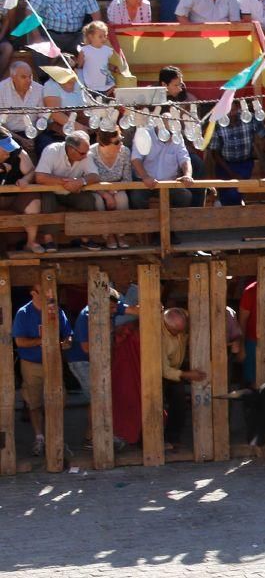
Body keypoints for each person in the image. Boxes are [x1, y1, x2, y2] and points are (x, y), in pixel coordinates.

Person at [67, 287, 135, 450]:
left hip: (98, 360)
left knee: (100, 397)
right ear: (100, 304)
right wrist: (106, 339)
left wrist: (153, 306)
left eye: (115, 307)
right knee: (97, 398)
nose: (114, 311)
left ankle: (93, 436)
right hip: (82, 361)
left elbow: (134, 310)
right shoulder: (86, 316)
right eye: (111, 308)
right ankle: (95, 438)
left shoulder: (111, 306)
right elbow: (86, 348)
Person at [12, 283, 72, 456]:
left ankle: (56, 437)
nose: (48, 295)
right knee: (34, 402)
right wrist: (42, 340)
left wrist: (66, 341)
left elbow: (68, 333)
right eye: (43, 292)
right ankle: (40, 438)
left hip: (54, 363)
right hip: (31, 364)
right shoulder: (23, 313)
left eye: (50, 291)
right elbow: (19, 342)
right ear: (33, 293)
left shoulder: (57, 311)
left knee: (58, 399)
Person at [35, 132, 105, 251]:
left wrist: (80, 181)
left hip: (72, 192)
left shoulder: (85, 155)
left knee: (87, 200)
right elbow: (40, 177)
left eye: (86, 153)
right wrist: (65, 182)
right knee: (47, 199)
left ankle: (85, 239)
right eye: (82, 153)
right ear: (71, 149)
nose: (85, 156)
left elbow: (95, 176)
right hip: (51, 191)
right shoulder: (51, 150)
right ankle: (48, 240)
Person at [207, 100, 265, 206]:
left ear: (238, 108)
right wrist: (232, 173)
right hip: (224, 165)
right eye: (226, 111)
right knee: (227, 195)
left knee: (235, 193)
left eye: (232, 110)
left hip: (244, 164)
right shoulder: (217, 124)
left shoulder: (249, 118)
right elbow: (215, 154)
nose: (230, 114)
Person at [160, 307, 207, 450]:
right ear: (167, 325)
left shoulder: (180, 325)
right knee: (155, 404)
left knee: (179, 403)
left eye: (182, 329)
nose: (180, 333)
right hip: (161, 374)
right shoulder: (159, 336)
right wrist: (187, 374)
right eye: (176, 331)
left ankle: (173, 437)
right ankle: (153, 440)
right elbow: (164, 370)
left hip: (176, 372)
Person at [0, 133, 52, 254]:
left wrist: (26, 179)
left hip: (14, 197)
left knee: (33, 201)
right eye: (4, 149)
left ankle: (31, 242)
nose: (8, 152)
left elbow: (31, 171)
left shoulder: (17, 152)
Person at [130, 123, 196, 210]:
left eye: (173, 133)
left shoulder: (177, 136)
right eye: (169, 133)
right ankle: (144, 222)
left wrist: (187, 175)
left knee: (185, 196)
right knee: (136, 198)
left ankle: (175, 222)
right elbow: (136, 159)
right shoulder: (145, 133)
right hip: (145, 183)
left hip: (169, 184)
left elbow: (185, 159)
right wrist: (145, 177)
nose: (172, 136)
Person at [30, 0, 101, 55]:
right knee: (39, 48)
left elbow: (96, 14)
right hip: (50, 36)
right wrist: (37, 37)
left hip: (76, 37)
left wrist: (93, 37)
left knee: (91, 48)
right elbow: (30, 12)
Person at [89, 128, 132, 249]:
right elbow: (89, 180)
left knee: (122, 198)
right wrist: (106, 195)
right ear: (104, 144)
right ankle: (107, 235)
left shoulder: (125, 152)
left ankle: (121, 234)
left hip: (118, 187)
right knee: (98, 201)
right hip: (97, 189)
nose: (121, 144)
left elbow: (127, 179)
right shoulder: (91, 153)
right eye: (117, 142)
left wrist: (114, 190)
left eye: (121, 140)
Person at [0, 62, 44, 156]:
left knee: (47, 145)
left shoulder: (39, 89)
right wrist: (21, 140)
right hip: (9, 133)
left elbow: (43, 119)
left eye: (30, 76)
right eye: (24, 77)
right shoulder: (1, 90)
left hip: (35, 133)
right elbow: (0, 124)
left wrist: (32, 137)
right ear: (13, 77)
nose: (28, 80)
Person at [77, 20, 119, 94]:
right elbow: (79, 65)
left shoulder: (107, 50)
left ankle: (105, 96)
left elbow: (104, 64)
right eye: (100, 36)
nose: (104, 39)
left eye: (105, 36)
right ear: (91, 37)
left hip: (104, 81)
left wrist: (114, 68)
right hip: (91, 82)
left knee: (113, 86)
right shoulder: (85, 50)